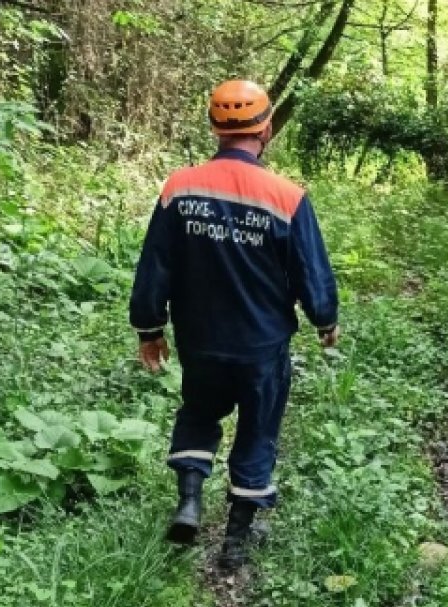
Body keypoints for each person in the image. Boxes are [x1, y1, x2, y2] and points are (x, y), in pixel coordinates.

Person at [129, 79, 339, 571]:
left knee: (200, 413)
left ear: (214, 128)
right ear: (266, 129)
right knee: (258, 430)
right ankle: (237, 543)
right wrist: (325, 319)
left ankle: (190, 502)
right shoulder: (287, 197)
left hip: (200, 341)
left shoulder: (180, 187)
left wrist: (149, 328)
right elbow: (312, 270)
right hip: (261, 346)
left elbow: (155, 264)